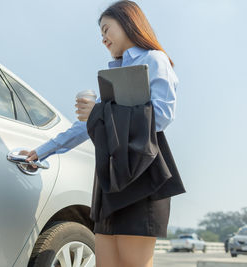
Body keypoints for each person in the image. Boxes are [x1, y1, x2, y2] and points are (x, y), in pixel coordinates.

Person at [21, 1, 185, 266]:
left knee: (133, 263)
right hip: (110, 178)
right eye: (101, 34)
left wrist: (99, 113)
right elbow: (83, 127)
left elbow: (162, 117)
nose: (103, 38)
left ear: (129, 22)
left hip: (141, 174)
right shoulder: (115, 71)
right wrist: (42, 150)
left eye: (107, 29)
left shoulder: (155, 59)